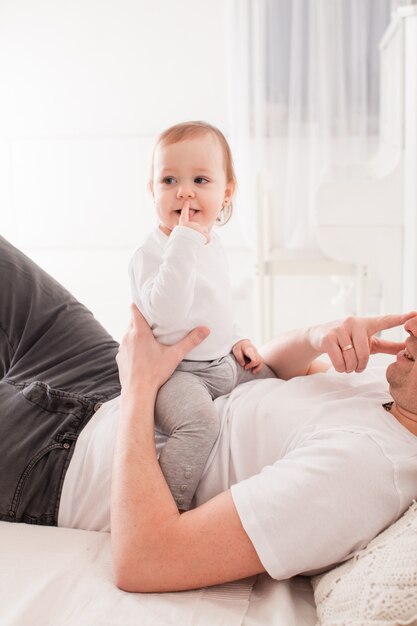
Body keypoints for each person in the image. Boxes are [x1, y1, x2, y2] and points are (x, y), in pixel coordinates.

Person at [1, 234, 417, 594]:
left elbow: (146, 559)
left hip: (64, 464)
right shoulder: (384, 389)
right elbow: (274, 366)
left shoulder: (364, 471)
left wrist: (140, 387)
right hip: (114, 380)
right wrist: (316, 336)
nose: (412, 326)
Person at [128, 121, 276, 510]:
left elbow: (216, 303)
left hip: (219, 360)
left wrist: (238, 337)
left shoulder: (213, 242)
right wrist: (182, 242)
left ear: (226, 193)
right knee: (201, 424)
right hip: (175, 375)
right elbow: (165, 313)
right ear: (152, 190)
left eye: (200, 179)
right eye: (169, 180)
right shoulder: (152, 252)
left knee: (273, 377)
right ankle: (166, 509)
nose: (185, 191)